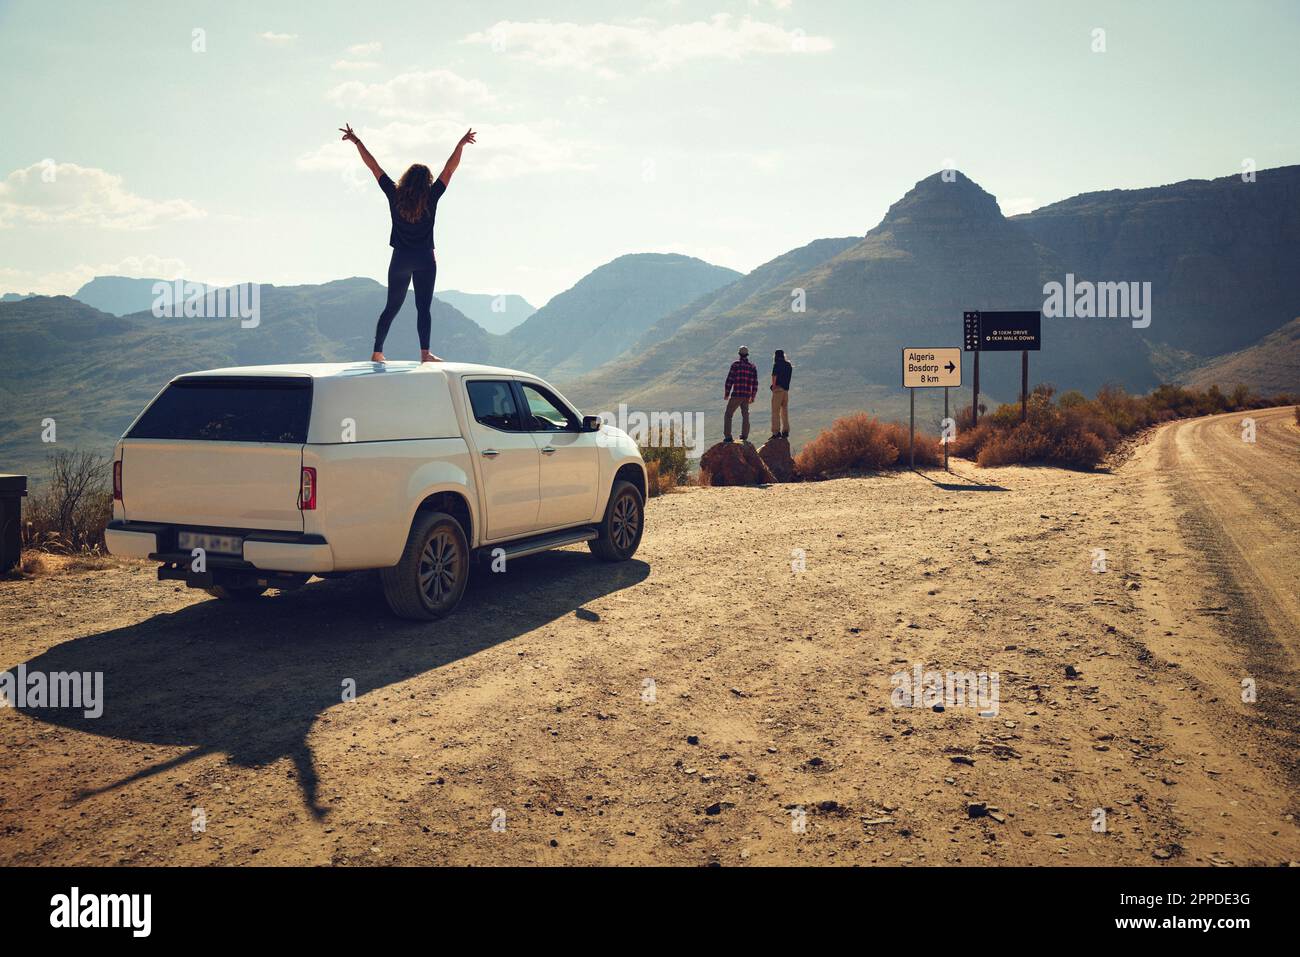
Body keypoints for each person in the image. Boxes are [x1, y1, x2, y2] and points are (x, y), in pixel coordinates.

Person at [339, 123, 476, 363]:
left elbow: (373, 167)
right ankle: (425, 354)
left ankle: (377, 352)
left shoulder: (394, 193)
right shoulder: (432, 196)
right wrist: (460, 144)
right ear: (426, 182)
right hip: (425, 259)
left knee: (392, 306)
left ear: (406, 179)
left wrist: (357, 141)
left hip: (401, 259)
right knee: (423, 308)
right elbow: (449, 170)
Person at [723, 346, 758, 443]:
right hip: (746, 395)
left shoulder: (735, 365)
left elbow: (730, 380)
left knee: (728, 414)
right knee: (745, 415)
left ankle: (728, 436)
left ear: (739, 354)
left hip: (736, 394)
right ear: (747, 355)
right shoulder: (752, 367)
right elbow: (755, 383)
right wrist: (753, 396)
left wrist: (727, 393)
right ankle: (744, 436)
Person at [769, 348, 792, 439]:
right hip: (786, 391)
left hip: (778, 390)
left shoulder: (777, 364)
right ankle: (785, 431)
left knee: (775, 411)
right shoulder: (788, 365)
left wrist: (773, 386)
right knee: (784, 411)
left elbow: (774, 376)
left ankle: (776, 432)